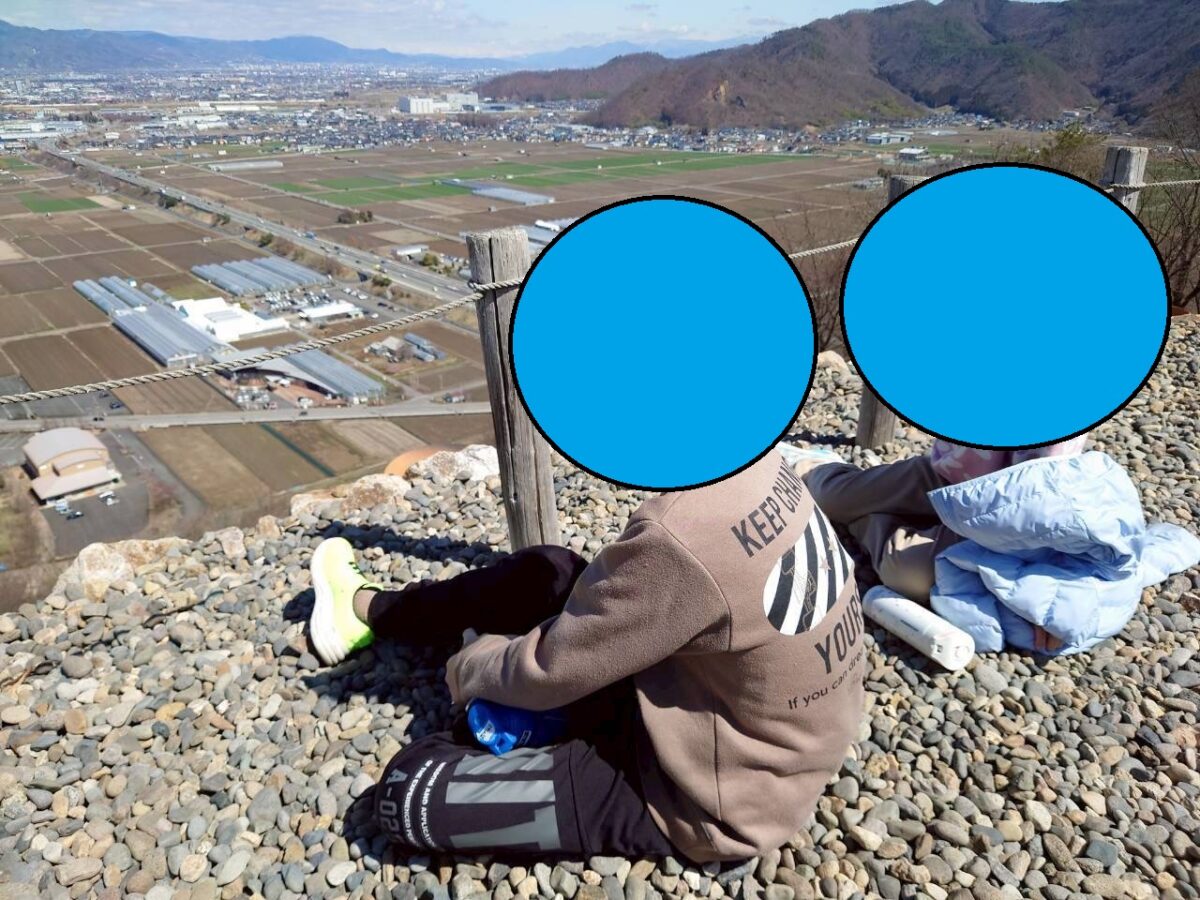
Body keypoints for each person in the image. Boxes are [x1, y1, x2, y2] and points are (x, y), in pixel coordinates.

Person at [308, 449, 866, 862]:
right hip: (739, 721)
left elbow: (546, 669)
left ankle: (494, 723)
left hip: (714, 800)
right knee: (548, 572)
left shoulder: (681, 533)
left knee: (406, 794)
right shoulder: (757, 459)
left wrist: (473, 664)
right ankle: (371, 610)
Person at [800, 437, 1090, 652]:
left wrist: (1045, 599)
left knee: (906, 573)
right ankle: (817, 466)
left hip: (1006, 524)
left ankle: (865, 519)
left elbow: (1057, 512)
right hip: (949, 475)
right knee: (831, 496)